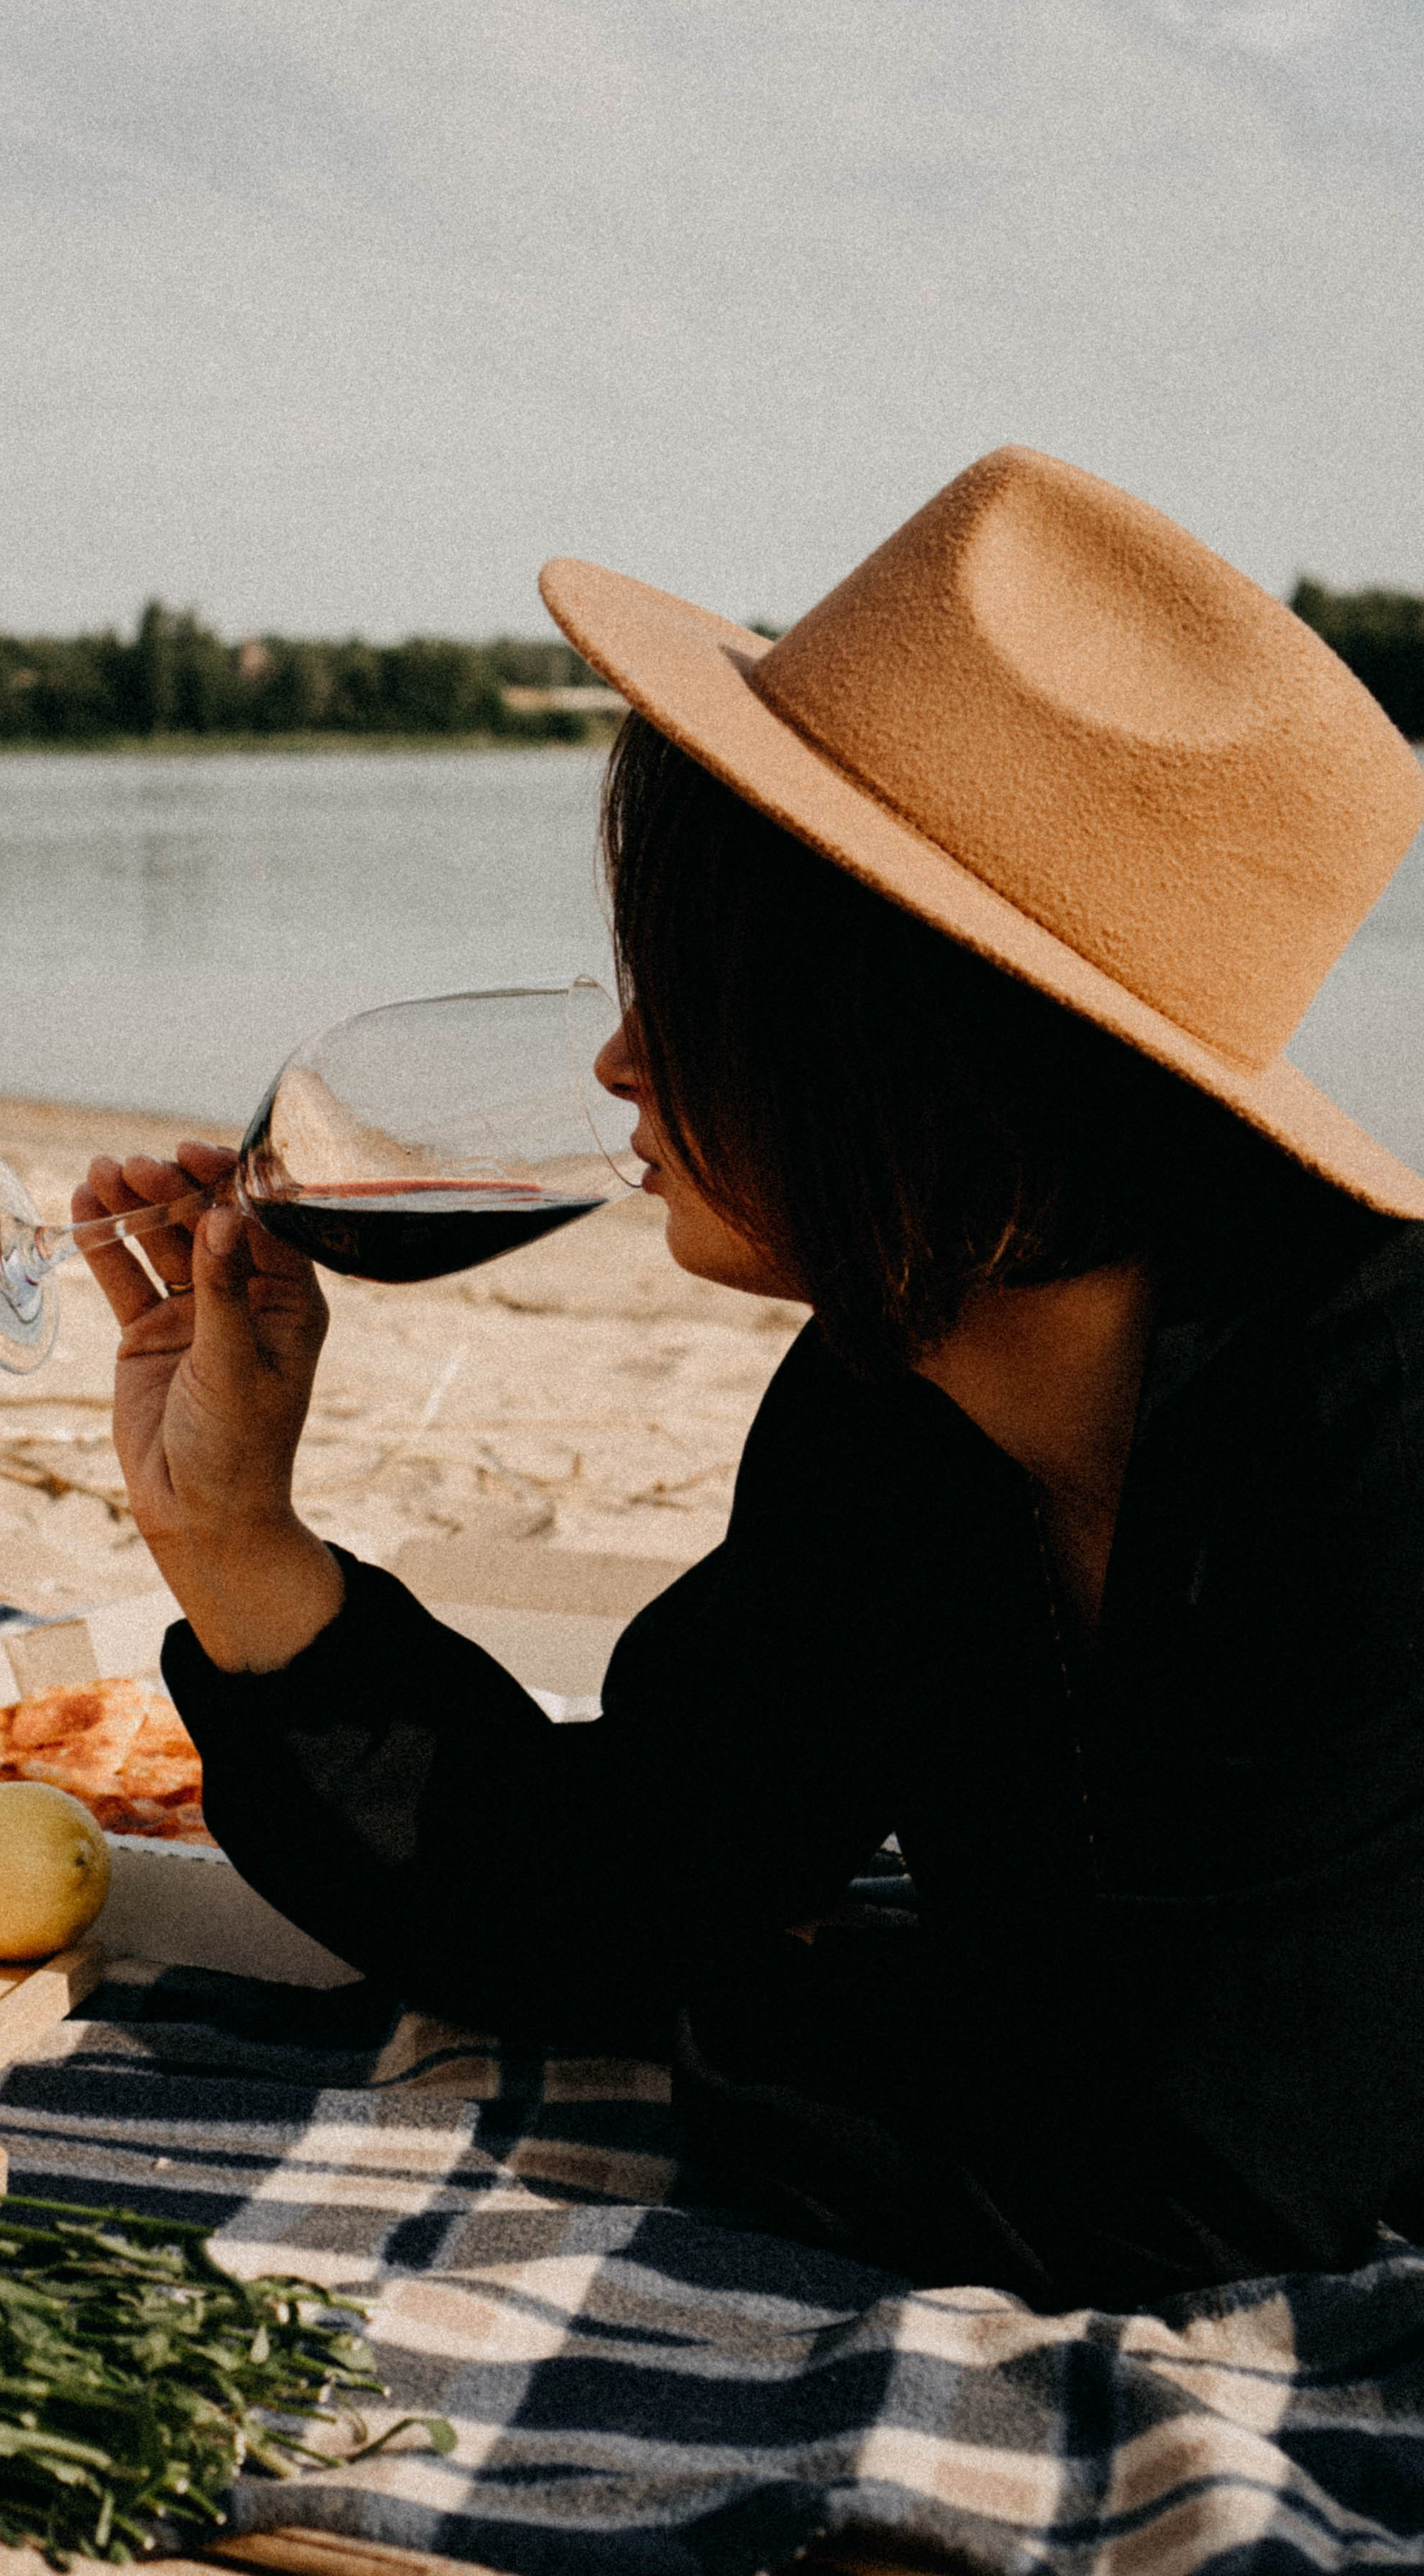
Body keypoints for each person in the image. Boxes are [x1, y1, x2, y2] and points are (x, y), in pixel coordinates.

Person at [74, 447, 1424, 2311]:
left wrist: (762, 1988)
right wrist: (233, 1535)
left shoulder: (1376, 1445)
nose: (620, 1060)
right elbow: (596, 1890)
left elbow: (1190, 2178)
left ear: (898, 1039)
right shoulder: (894, 1411)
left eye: (679, 986)